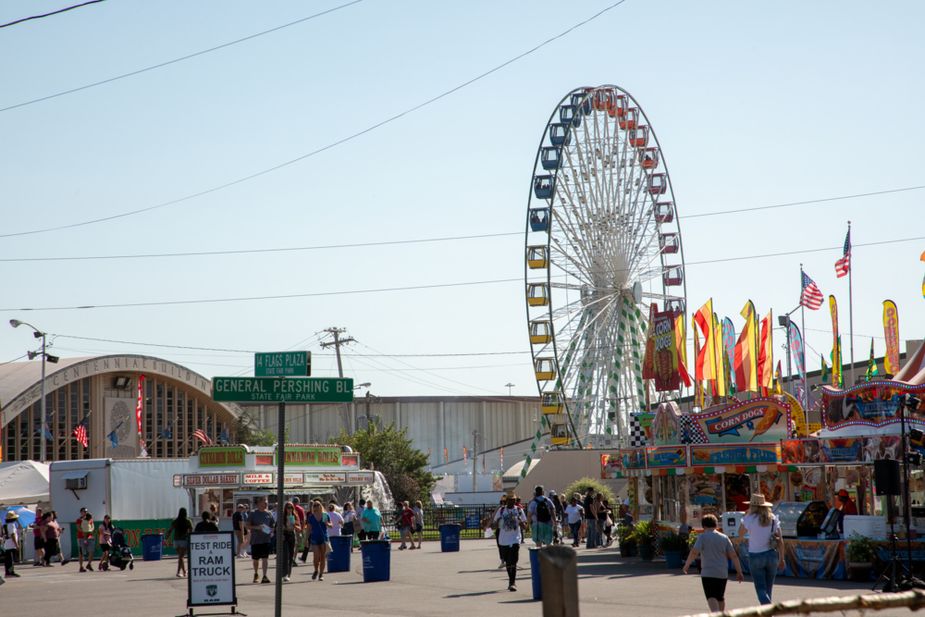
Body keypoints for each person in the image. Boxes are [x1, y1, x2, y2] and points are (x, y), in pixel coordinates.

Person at [683, 514, 744, 613]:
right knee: (720, 597)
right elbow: (734, 555)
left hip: (708, 572)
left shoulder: (702, 537)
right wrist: (739, 571)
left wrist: (687, 564)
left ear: (704, 526)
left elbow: (694, 552)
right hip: (722, 572)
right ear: (716, 525)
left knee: (711, 596)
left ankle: (715, 614)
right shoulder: (724, 537)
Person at [737, 494, 785, 605]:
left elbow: (740, 534)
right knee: (769, 589)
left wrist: (745, 517)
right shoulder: (773, 518)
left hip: (756, 555)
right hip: (772, 555)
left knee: (760, 588)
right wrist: (782, 558)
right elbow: (780, 540)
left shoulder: (749, 518)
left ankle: (768, 608)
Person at [493, 495, 527, 592]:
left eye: (514, 500)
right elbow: (494, 525)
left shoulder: (519, 510)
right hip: (503, 540)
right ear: (506, 501)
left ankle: (512, 582)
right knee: (508, 562)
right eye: (510, 500)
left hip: (515, 539)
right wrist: (496, 522)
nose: (512, 502)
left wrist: (520, 522)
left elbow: (525, 527)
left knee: (513, 561)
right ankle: (510, 581)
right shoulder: (501, 511)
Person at [247, 497, 274, 584]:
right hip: (256, 540)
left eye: (266, 502)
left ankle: (265, 576)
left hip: (266, 540)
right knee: (256, 560)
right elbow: (247, 526)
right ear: (259, 503)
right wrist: (257, 527)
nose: (266, 504)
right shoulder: (253, 513)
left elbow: (272, 525)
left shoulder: (269, 513)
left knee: (265, 558)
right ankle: (256, 573)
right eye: (264, 502)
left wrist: (272, 530)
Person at [306, 500, 331, 581]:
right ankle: (316, 570)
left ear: (321, 506)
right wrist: (306, 539)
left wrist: (327, 524)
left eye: (318, 505)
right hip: (315, 538)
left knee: (323, 557)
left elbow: (331, 525)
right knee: (316, 557)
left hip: (323, 538)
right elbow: (309, 529)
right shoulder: (311, 517)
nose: (316, 507)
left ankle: (321, 574)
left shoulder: (325, 515)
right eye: (314, 505)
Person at [166, 507, 193, 578]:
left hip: (176, 541)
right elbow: (191, 531)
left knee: (181, 557)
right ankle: (178, 572)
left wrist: (167, 537)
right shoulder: (188, 521)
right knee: (181, 557)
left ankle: (184, 572)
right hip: (184, 540)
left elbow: (170, 530)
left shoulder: (175, 521)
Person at [280, 502, 300, 582]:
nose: (289, 509)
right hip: (285, 535)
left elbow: (299, 528)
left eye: (291, 507)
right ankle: (283, 574)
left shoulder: (294, 516)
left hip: (292, 535)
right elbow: (278, 527)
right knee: (285, 555)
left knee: (291, 556)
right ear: (285, 509)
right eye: (288, 507)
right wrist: (281, 533)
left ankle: (288, 574)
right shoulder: (283, 517)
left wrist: (294, 524)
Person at [3, 510, 21, 578]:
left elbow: (19, 527)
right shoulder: (12, 525)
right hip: (11, 545)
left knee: (8, 560)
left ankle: (9, 572)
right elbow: (13, 535)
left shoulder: (6, 525)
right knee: (10, 560)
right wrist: (16, 544)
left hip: (7, 545)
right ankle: (10, 572)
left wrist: (17, 522)